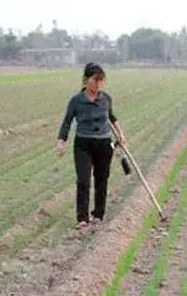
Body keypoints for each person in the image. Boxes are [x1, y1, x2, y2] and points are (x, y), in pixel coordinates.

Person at [56, 62, 127, 232]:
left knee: (102, 180)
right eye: (95, 80)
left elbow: (112, 117)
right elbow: (67, 122)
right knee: (83, 181)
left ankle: (98, 215)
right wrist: (61, 140)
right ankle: (82, 219)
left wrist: (121, 135)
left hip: (104, 144)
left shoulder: (106, 99)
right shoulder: (76, 101)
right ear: (86, 80)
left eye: (101, 81)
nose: (98, 85)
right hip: (83, 144)